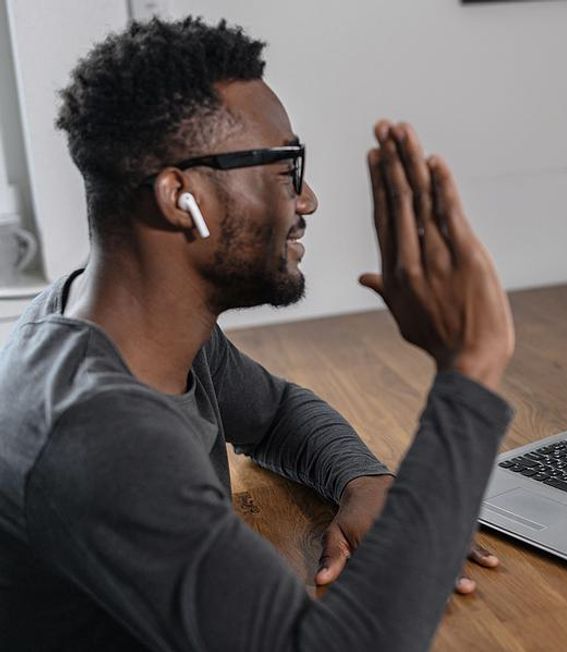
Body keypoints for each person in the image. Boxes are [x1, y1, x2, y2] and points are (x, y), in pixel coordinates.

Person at [0, 17, 515, 651]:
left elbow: (273, 415)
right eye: (283, 169)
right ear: (180, 197)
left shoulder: (117, 323)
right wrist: (471, 368)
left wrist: (363, 481)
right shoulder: (99, 436)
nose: (309, 200)